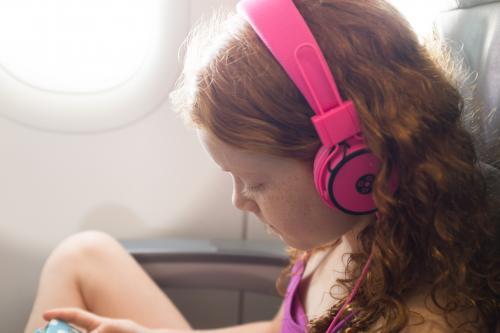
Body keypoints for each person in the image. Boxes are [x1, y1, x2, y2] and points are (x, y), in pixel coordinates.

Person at [24, 0, 499, 332]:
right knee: (82, 255)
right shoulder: (341, 233)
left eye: (256, 182)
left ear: (352, 169)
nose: (239, 200)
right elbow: (278, 329)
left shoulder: (421, 318)